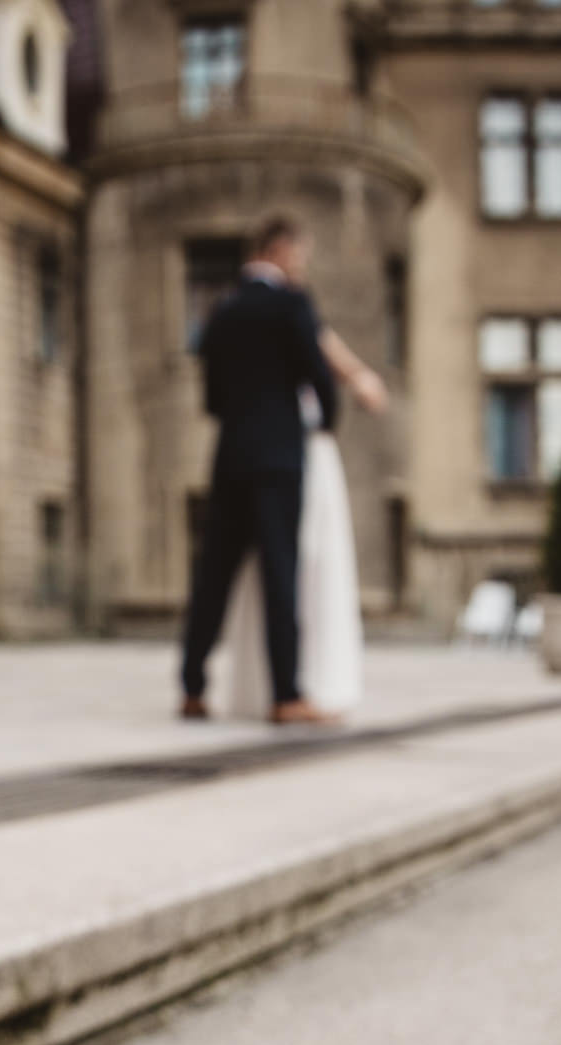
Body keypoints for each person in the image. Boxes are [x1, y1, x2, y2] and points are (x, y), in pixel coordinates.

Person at [179, 216, 386, 724]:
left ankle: (192, 686)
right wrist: (321, 430)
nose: (302, 264)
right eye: (300, 254)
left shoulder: (221, 312)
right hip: (279, 458)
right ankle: (286, 695)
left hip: (230, 455)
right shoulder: (293, 304)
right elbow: (318, 379)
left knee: (215, 575)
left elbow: (211, 398)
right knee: (279, 571)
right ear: (281, 250)